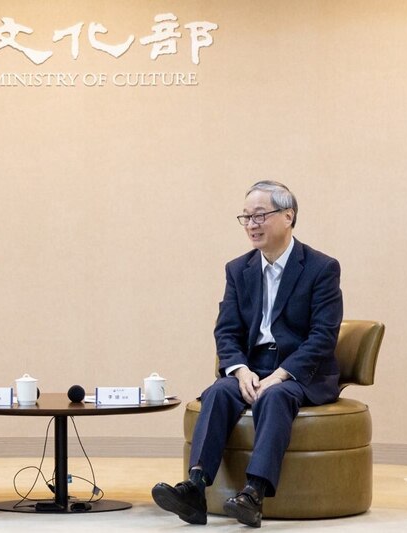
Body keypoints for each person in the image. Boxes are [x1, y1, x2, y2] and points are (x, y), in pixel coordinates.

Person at [152, 181, 343, 528]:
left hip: (301, 371)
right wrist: (240, 370)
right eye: (246, 217)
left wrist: (280, 374)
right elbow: (226, 330)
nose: (252, 224)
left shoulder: (321, 268)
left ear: (288, 216)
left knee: (275, 396)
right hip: (252, 367)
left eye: (260, 215)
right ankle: (195, 487)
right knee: (219, 391)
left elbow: (322, 337)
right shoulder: (238, 270)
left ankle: (253, 494)